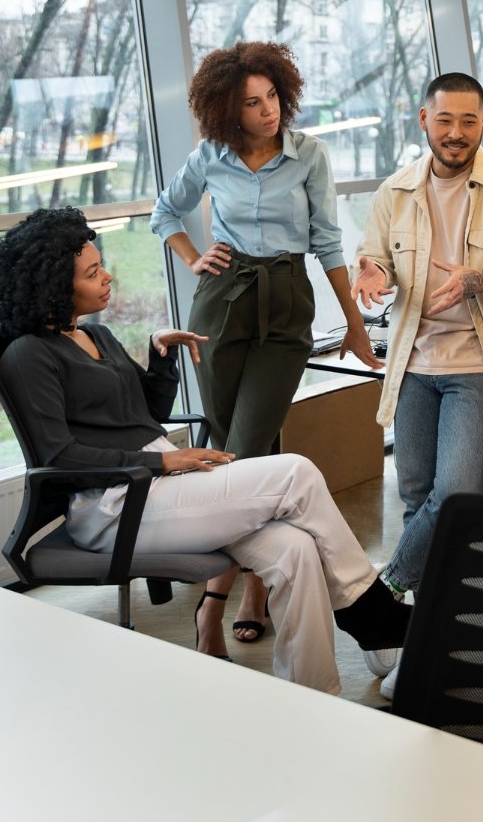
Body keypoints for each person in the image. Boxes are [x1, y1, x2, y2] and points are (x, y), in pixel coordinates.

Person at [0, 208, 409, 695]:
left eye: (101, 266)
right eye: (92, 272)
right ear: (54, 287)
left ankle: (315, 696)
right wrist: (162, 461)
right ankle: (374, 615)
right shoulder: (28, 354)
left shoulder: (96, 335)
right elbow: (58, 455)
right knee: (295, 472)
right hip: (113, 505)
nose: (107, 277)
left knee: (295, 552)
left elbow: (145, 414)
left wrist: (159, 358)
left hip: (157, 488)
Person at [151, 40, 376, 655]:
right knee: (235, 440)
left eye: (272, 96)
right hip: (221, 299)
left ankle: (211, 602)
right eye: (252, 103)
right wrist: (195, 259)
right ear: (229, 110)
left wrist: (353, 323)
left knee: (244, 446)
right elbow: (165, 212)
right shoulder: (210, 156)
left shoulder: (309, 155)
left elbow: (328, 241)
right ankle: (256, 584)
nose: (268, 110)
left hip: (285, 298)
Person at [350, 72, 483, 685]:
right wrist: (372, 270)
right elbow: (376, 256)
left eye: (469, 121)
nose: (457, 133)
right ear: (424, 120)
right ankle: (422, 635)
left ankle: (383, 593)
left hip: (479, 366)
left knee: (456, 495)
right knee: (419, 499)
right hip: (413, 364)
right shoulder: (394, 191)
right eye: (445, 120)